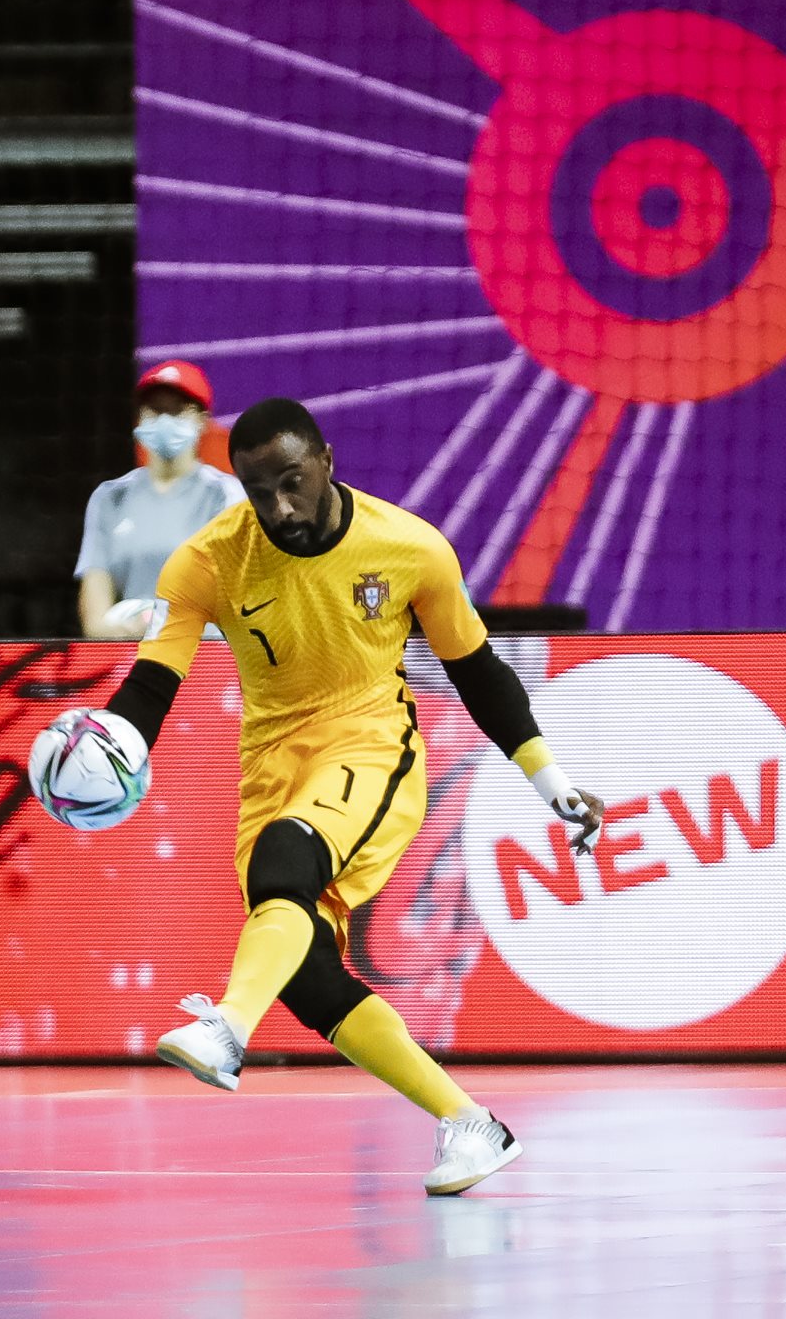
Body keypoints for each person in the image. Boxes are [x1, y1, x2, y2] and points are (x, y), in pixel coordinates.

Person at [95, 397, 606, 1195]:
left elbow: (478, 672)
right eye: (258, 491)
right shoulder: (208, 561)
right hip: (271, 765)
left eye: (292, 482)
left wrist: (551, 780)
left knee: (283, 870)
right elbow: (155, 680)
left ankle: (228, 1028)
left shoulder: (409, 547)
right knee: (303, 971)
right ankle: (471, 1123)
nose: (279, 508)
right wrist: (113, 743)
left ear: (327, 460)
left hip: (373, 746)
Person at [76, 360, 244, 638]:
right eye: (155, 410)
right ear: (139, 418)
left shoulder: (225, 495)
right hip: (130, 658)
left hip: (207, 660)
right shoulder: (109, 498)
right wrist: (134, 628)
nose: (165, 420)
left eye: (177, 411)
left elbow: (237, 603)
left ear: (202, 419)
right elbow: (95, 623)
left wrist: (166, 625)